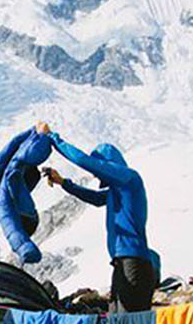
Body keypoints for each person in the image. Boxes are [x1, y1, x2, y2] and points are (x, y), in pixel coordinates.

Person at [39, 126, 159, 311]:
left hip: (134, 262)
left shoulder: (129, 179)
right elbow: (95, 198)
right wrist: (63, 182)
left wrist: (52, 137)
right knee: (118, 323)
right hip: (122, 263)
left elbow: (83, 160)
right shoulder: (116, 191)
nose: (96, 175)